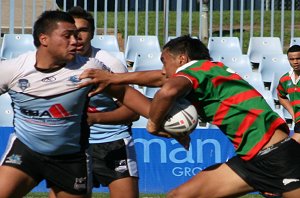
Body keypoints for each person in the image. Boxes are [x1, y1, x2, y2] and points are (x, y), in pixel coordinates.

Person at [79, 35, 300, 197]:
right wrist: (114, 79)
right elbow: (160, 79)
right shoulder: (209, 70)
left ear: (182, 59)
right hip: (251, 161)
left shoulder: (196, 70)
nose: (163, 69)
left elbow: (166, 90)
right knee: (180, 196)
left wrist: (153, 125)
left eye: (164, 61)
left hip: (279, 159)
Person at [0, 10, 149, 198]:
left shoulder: (90, 67)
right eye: (67, 35)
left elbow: (128, 96)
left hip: (70, 157)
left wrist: (160, 118)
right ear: (44, 39)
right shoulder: (12, 69)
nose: (75, 40)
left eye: (78, 34)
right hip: (26, 150)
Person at [51, 7, 140, 198]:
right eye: (71, 32)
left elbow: (133, 112)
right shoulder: (54, 64)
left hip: (112, 142)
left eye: (83, 30)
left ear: (92, 34)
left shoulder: (110, 64)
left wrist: (95, 118)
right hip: (72, 145)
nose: (77, 37)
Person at [277, 45, 300, 142]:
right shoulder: (285, 79)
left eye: (298, 58)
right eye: (292, 59)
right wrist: (292, 112)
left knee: (292, 146)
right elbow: (280, 95)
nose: (295, 62)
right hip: (298, 121)